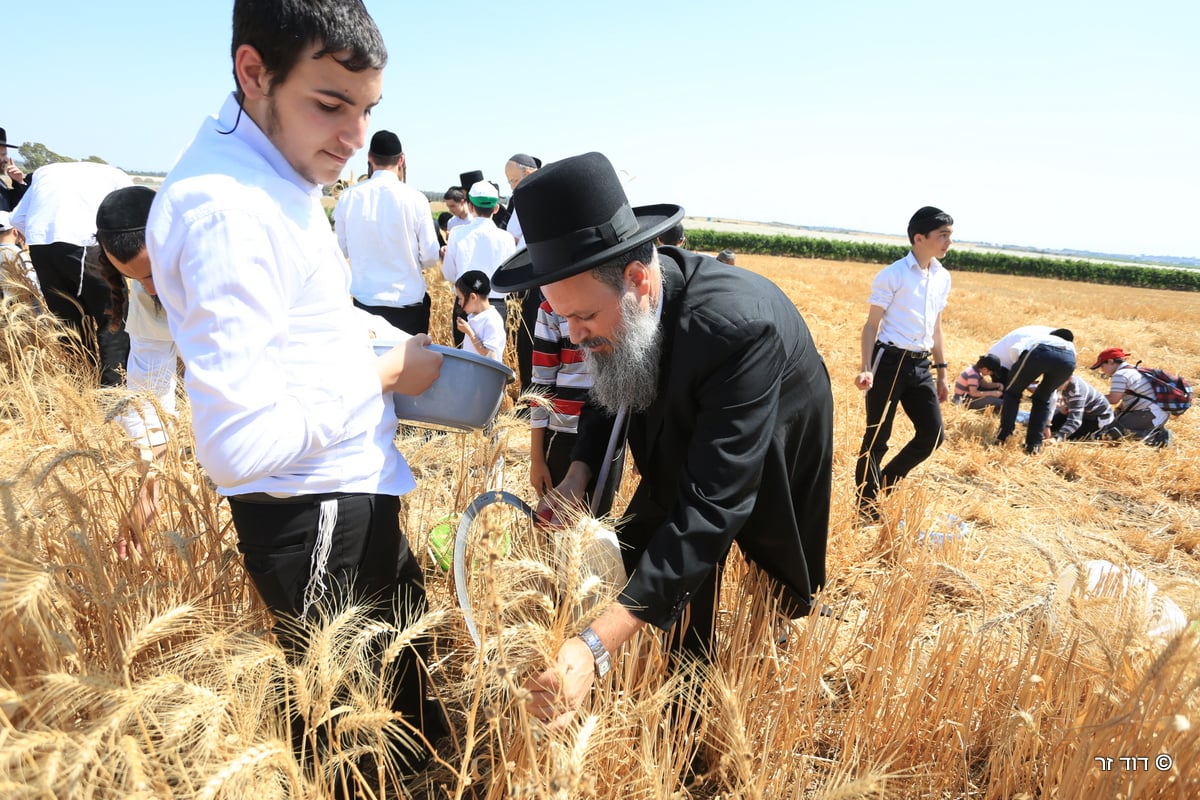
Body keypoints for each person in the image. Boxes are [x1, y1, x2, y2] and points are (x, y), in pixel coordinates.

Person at [145, 0, 445, 775]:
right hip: (313, 514)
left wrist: (375, 340)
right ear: (254, 73)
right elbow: (238, 447)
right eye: (330, 104)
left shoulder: (274, 172)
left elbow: (296, 320)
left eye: (367, 110)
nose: (353, 137)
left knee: (409, 725)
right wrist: (385, 372)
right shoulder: (228, 210)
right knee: (356, 753)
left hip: (349, 495)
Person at [490, 152, 833, 728]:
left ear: (638, 281)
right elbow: (609, 380)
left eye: (583, 317)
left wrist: (593, 648)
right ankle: (679, 680)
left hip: (773, 425)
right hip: (681, 406)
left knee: (733, 541)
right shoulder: (613, 311)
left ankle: (723, 684)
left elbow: (713, 504)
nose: (574, 335)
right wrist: (579, 472)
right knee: (657, 538)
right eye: (563, 317)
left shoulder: (740, 329)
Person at [85, 186, 178, 559]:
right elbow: (151, 404)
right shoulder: (147, 298)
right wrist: (146, 494)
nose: (151, 288)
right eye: (136, 279)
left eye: (154, 273)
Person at [853, 206, 953, 516]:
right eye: (943, 235)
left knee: (933, 434)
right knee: (877, 438)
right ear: (919, 238)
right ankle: (865, 507)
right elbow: (871, 326)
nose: (949, 241)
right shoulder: (893, 275)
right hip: (889, 362)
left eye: (950, 235)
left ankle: (885, 483)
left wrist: (941, 373)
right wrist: (866, 367)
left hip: (920, 365)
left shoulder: (942, 277)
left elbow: (936, 328)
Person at [10, 160, 133, 386]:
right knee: (113, 317)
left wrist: (46, 239)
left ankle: (80, 384)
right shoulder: (117, 176)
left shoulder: (43, 173)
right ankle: (112, 390)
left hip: (41, 246)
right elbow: (130, 216)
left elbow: (16, 219)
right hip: (86, 244)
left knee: (67, 321)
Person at [333, 129, 440, 335]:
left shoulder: (349, 197)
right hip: (408, 305)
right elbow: (430, 257)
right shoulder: (416, 199)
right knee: (410, 367)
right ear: (401, 160)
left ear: (370, 158)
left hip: (365, 304)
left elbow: (340, 250)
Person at [528, 296, 594, 497]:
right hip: (564, 433)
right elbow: (541, 386)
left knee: (597, 523)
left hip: (608, 435)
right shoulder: (551, 309)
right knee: (557, 521)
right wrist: (537, 458)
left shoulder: (614, 299)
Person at [441, 179, 515, 344]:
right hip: (496, 306)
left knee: (463, 359)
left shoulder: (456, 234)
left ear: (470, 206)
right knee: (492, 360)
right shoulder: (507, 239)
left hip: (465, 303)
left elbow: (448, 273)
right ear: (496, 208)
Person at [989, 326, 1076, 454]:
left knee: (1012, 393)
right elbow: (1053, 395)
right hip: (1068, 360)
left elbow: (1015, 349)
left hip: (1041, 352)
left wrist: (1019, 371)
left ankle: (1004, 436)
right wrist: (1048, 423)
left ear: (1053, 334)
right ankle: (1034, 445)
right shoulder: (1070, 346)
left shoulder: (1041, 337)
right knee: (1042, 400)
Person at [503, 153, 543, 400]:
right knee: (527, 341)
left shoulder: (540, 198)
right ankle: (531, 394)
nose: (512, 186)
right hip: (528, 282)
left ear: (528, 173)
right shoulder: (522, 200)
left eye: (513, 180)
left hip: (540, 280)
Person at [1090, 347, 1170, 443]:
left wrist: (1092, 398)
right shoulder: (1134, 369)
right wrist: (1120, 408)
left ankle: (1156, 438)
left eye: (1102, 366)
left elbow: (1113, 399)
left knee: (1111, 434)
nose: (1102, 370)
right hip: (1158, 413)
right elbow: (1135, 394)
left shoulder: (1120, 374)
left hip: (1147, 414)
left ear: (1110, 361)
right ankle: (1154, 432)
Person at [454, 270, 505, 362]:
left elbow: (490, 356)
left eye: (460, 298)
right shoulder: (475, 316)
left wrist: (470, 333)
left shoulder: (492, 320)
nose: (459, 302)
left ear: (473, 297)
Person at [1047, 374, 1115, 442]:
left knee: (1069, 438)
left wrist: (1058, 438)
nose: (1054, 383)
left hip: (1097, 419)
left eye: (1057, 381)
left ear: (1069, 378)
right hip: (1083, 412)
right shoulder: (1065, 383)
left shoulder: (1077, 392)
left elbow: (1075, 421)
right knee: (1052, 424)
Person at [0, 209, 42, 303]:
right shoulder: (17, 253)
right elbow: (32, 281)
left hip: (5, 307)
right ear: (15, 231)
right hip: (23, 305)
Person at [0, 127, 29, 213]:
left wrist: (19, 182)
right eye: (2, 155)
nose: (6, 160)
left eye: (5, 155)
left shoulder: (1, 184)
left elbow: (18, 208)